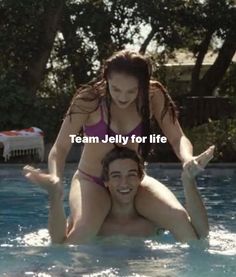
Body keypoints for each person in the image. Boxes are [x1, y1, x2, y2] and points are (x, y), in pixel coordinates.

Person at [23, 49, 213, 244]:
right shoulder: (89, 99)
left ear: (143, 85)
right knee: (82, 232)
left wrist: (187, 158)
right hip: (91, 180)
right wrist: (55, 177)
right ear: (106, 80)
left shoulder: (153, 95)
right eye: (116, 89)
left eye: (132, 90)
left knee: (179, 218)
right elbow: (60, 148)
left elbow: (177, 137)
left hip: (133, 180)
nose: (123, 97)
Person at [24, 146, 213, 242]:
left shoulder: (153, 221)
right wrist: (54, 197)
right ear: (105, 182)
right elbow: (58, 245)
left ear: (140, 178)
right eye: (116, 176)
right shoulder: (93, 223)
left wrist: (188, 181)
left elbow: (200, 238)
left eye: (131, 175)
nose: (124, 183)